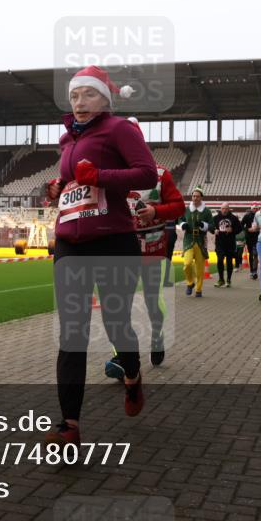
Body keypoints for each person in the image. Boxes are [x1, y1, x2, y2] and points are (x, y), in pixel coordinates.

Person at [44, 66, 157, 447]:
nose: (79, 103)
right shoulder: (66, 140)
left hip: (113, 240)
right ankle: (69, 426)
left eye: (88, 95)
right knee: (71, 332)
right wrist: (58, 186)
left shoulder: (120, 129)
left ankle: (132, 375)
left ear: (104, 99)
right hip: (70, 242)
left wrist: (100, 177)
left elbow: (147, 175)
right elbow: (72, 185)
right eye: (74, 96)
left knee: (116, 322)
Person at [104, 118, 185, 373]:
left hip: (153, 248)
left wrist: (155, 211)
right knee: (118, 304)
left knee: (153, 299)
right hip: (120, 247)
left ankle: (157, 335)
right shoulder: (109, 175)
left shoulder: (159, 174)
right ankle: (121, 357)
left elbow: (179, 207)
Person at [177, 187, 214, 297]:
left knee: (199, 268)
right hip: (188, 239)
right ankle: (190, 283)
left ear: (201, 197)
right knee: (187, 264)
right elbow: (180, 219)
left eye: (197, 196)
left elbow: (212, 226)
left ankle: (198, 289)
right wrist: (183, 224)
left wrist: (204, 225)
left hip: (200, 241)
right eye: (193, 196)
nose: (195, 198)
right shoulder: (186, 209)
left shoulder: (207, 211)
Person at [212, 202, 242, 288]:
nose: (224, 210)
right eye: (223, 208)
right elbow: (211, 227)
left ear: (229, 209)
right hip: (219, 243)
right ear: (220, 209)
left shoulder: (233, 218)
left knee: (229, 262)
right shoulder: (215, 218)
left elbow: (240, 228)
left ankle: (228, 280)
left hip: (230, 243)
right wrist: (214, 230)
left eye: (226, 208)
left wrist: (232, 230)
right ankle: (221, 279)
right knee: (220, 260)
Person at [241, 206, 260, 280]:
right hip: (249, 238)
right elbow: (241, 225)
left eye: (256, 208)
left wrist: (258, 228)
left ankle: (255, 271)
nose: (255, 209)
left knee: (255, 254)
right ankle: (251, 270)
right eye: (254, 208)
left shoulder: (260, 216)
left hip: (258, 238)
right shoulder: (247, 216)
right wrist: (247, 229)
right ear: (251, 208)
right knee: (251, 254)